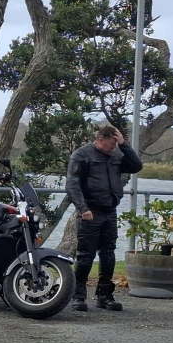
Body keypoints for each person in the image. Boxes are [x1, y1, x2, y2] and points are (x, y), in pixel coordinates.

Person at [65, 123, 144, 312]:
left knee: (108, 255)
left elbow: (136, 166)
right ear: (100, 140)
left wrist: (124, 145)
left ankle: (105, 295)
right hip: (90, 211)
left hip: (110, 210)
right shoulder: (82, 155)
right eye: (111, 144)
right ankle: (78, 296)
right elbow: (72, 184)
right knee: (85, 256)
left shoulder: (116, 155)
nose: (113, 148)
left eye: (115, 145)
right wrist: (83, 208)